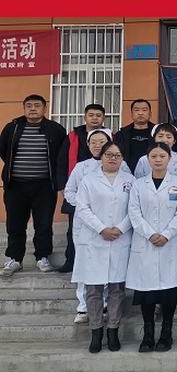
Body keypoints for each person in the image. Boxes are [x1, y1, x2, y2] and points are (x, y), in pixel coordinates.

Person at [72, 142, 135, 353]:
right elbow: (82, 208)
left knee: (117, 289)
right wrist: (101, 229)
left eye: (117, 155)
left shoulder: (130, 181)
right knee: (93, 289)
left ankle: (113, 330)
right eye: (109, 154)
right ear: (102, 156)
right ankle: (96, 331)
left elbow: (135, 208)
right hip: (94, 239)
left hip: (120, 238)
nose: (113, 158)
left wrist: (120, 228)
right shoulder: (88, 180)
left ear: (122, 158)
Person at [127, 142, 177, 353]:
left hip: (170, 243)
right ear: (148, 159)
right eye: (154, 156)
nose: (158, 159)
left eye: (162, 156)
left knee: (169, 292)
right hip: (146, 242)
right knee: (147, 293)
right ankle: (148, 334)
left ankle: (166, 334)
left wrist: (166, 234)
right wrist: (150, 234)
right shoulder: (138, 184)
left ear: (169, 158)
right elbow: (134, 212)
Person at [63, 129, 126, 325]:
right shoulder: (81, 167)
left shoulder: (122, 166)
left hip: (116, 227)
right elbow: (69, 192)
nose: (98, 145)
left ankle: (106, 305)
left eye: (102, 141)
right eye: (94, 142)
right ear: (88, 145)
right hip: (87, 225)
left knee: (111, 268)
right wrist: (86, 206)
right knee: (87, 267)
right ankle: (83, 306)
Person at [1, 94, 67, 276]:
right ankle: (15, 259)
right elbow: (4, 150)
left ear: (44, 109)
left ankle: (42, 257)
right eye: (29, 105)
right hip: (15, 186)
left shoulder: (55, 129)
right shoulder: (12, 127)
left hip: (44, 186)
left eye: (37, 105)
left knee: (43, 224)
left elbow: (61, 155)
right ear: (24, 108)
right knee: (15, 224)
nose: (32, 109)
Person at [56, 104, 106, 273]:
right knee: (73, 228)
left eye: (98, 115)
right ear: (85, 117)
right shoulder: (73, 136)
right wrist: (62, 186)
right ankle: (71, 261)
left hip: (102, 194)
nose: (94, 118)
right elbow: (62, 161)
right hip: (76, 190)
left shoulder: (110, 136)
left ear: (103, 118)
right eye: (91, 115)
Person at [114, 99, 155, 172]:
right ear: (131, 114)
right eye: (136, 110)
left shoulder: (158, 133)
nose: (140, 113)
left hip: (152, 173)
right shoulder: (121, 135)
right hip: (126, 173)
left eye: (144, 110)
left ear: (150, 114)